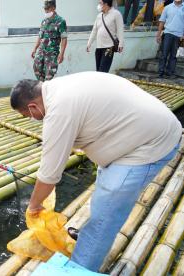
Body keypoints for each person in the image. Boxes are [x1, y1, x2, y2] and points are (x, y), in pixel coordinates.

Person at [10, 72, 181, 272]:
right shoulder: (59, 87)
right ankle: (88, 243)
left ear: (33, 107)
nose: (32, 119)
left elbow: (49, 174)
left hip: (149, 144)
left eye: (28, 115)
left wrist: (34, 206)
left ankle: (80, 268)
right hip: (143, 128)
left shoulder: (58, 110)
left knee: (105, 215)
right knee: (102, 198)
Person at [31, 0, 67, 81]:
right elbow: (40, 36)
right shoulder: (44, 21)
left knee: (49, 75)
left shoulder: (61, 21)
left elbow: (64, 39)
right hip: (41, 51)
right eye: (45, 9)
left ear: (54, 8)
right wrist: (34, 49)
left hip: (52, 53)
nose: (46, 11)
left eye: (48, 9)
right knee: (36, 68)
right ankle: (42, 87)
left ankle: (47, 88)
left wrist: (61, 54)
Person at [87, 0, 124, 73]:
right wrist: (89, 43)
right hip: (98, 47)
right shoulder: (99, 16)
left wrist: (121, 44)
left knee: (103, 72)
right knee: (98, 71)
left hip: (109, 48)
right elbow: (94, 30)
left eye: (100, 3)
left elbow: (120, 30)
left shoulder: (116, 14)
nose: (99, 5)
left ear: (106, 4)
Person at [156, 0, 184, 78]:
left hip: (178, 35)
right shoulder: (167, 7)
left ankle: (170, 73)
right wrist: (158, 34)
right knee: (164, 54)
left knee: (173, 55)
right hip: (167, 33)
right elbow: (162, 21)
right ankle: (160, 72)